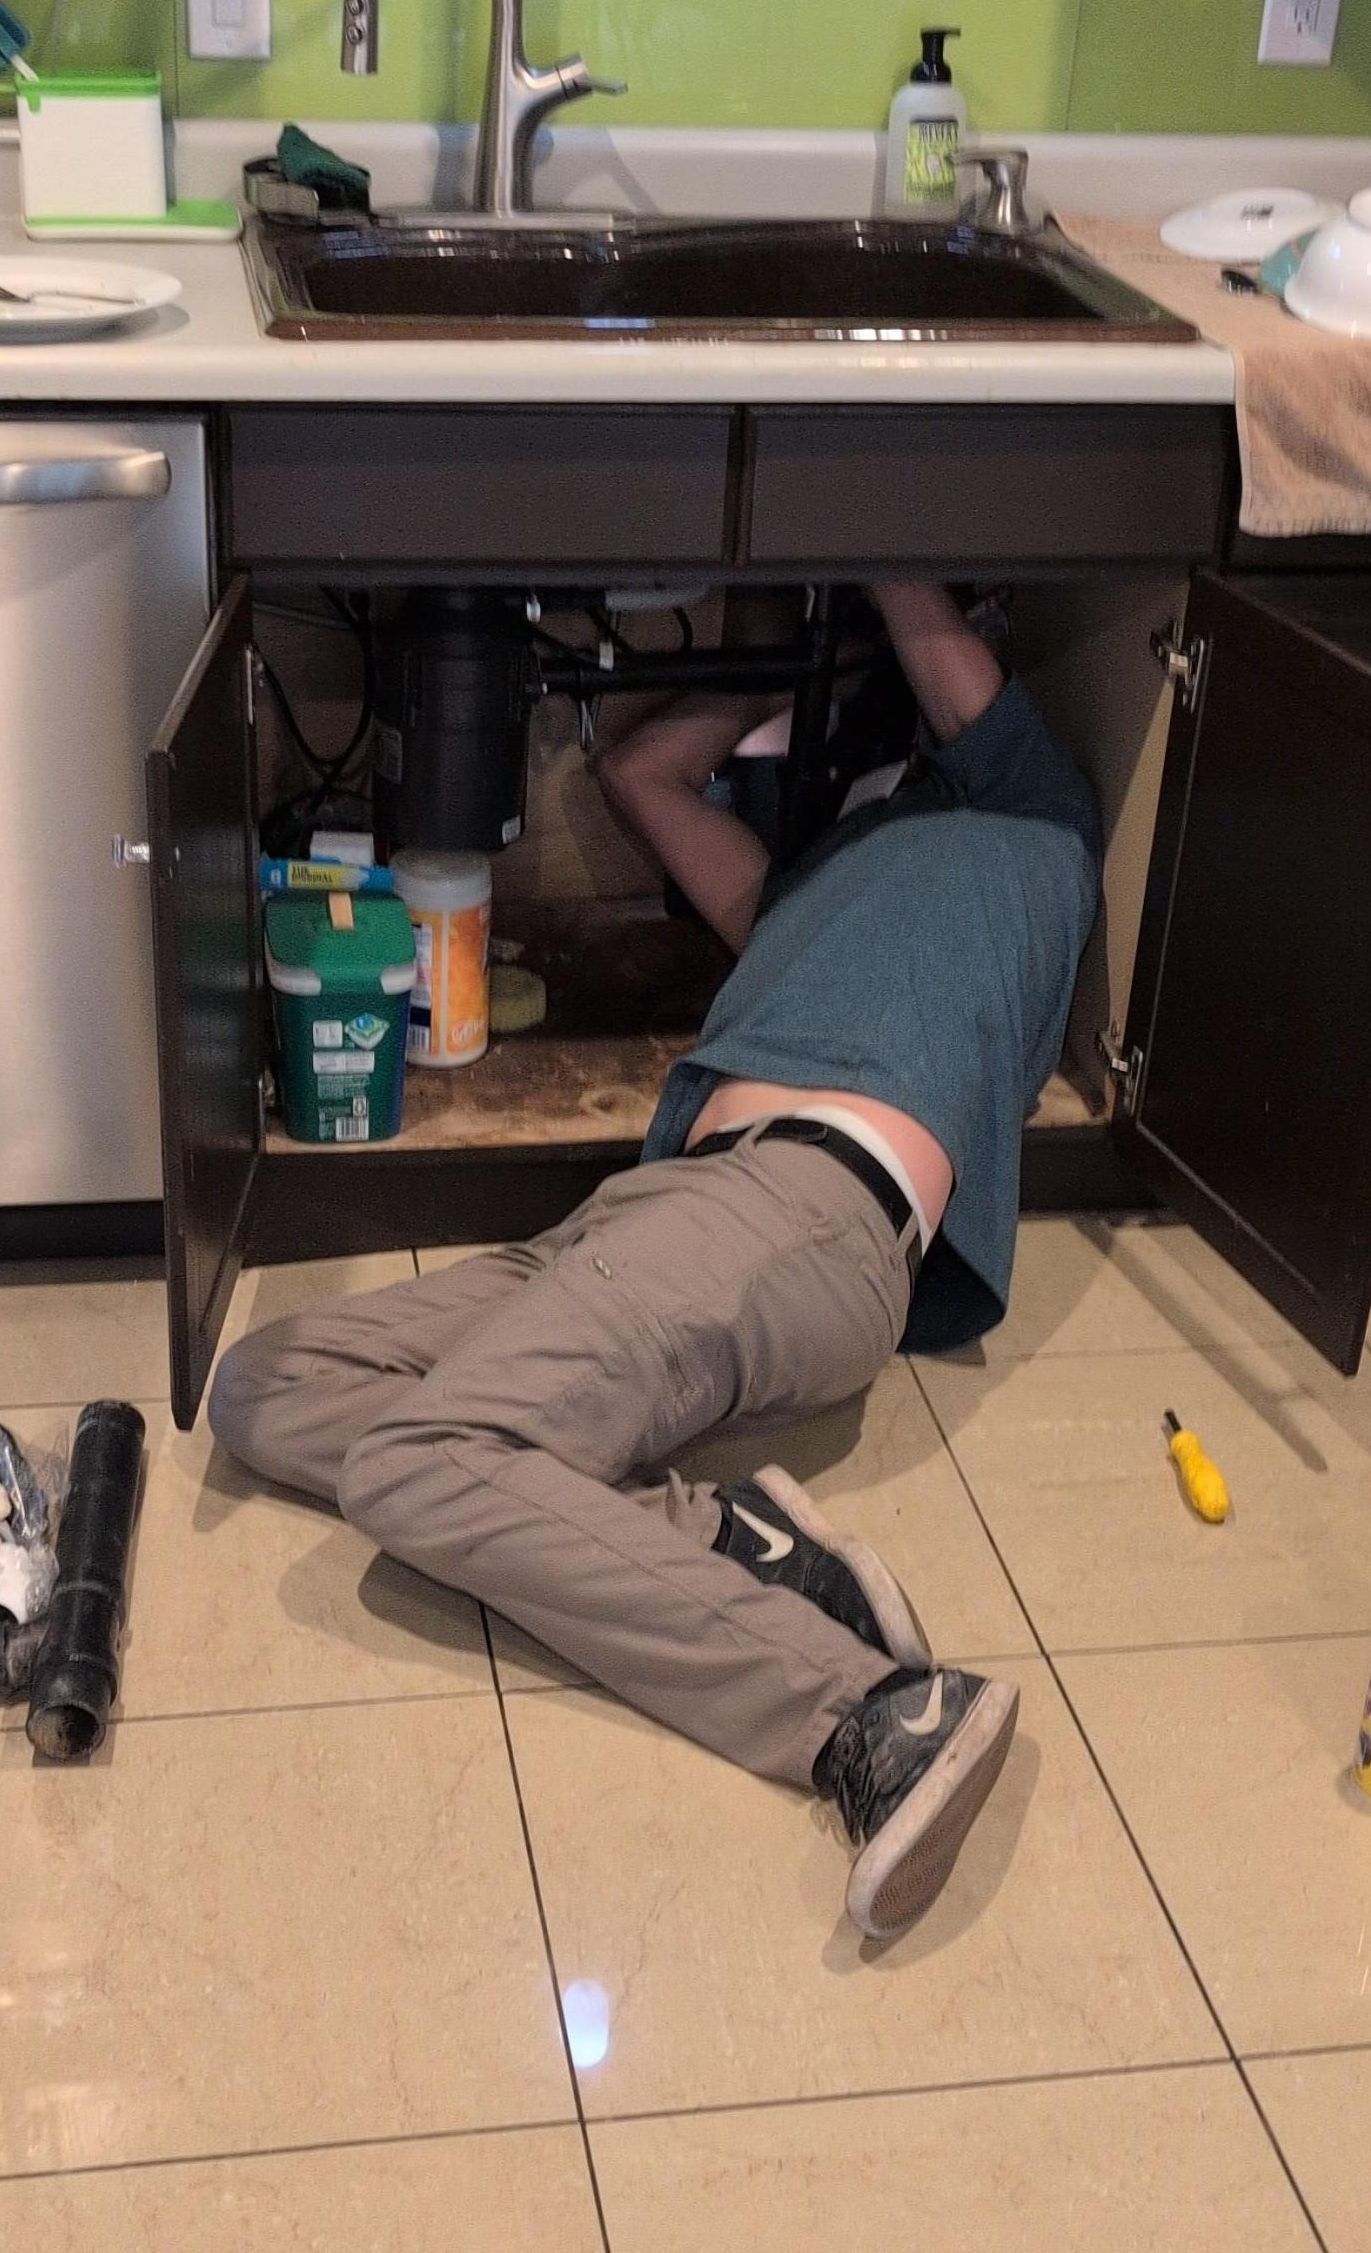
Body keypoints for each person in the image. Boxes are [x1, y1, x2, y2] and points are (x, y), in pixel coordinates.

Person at [207, 580, 1102, 1942]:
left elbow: (930, 630)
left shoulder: (1033, 827)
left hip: (807, 1209)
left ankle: (870, 1709)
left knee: (416, 1466)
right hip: (663, 1218)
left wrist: (878, 606)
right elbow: (641, 769)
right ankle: (723, 1538)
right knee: (266, 1385)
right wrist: (794, 679)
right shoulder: (798, 898)